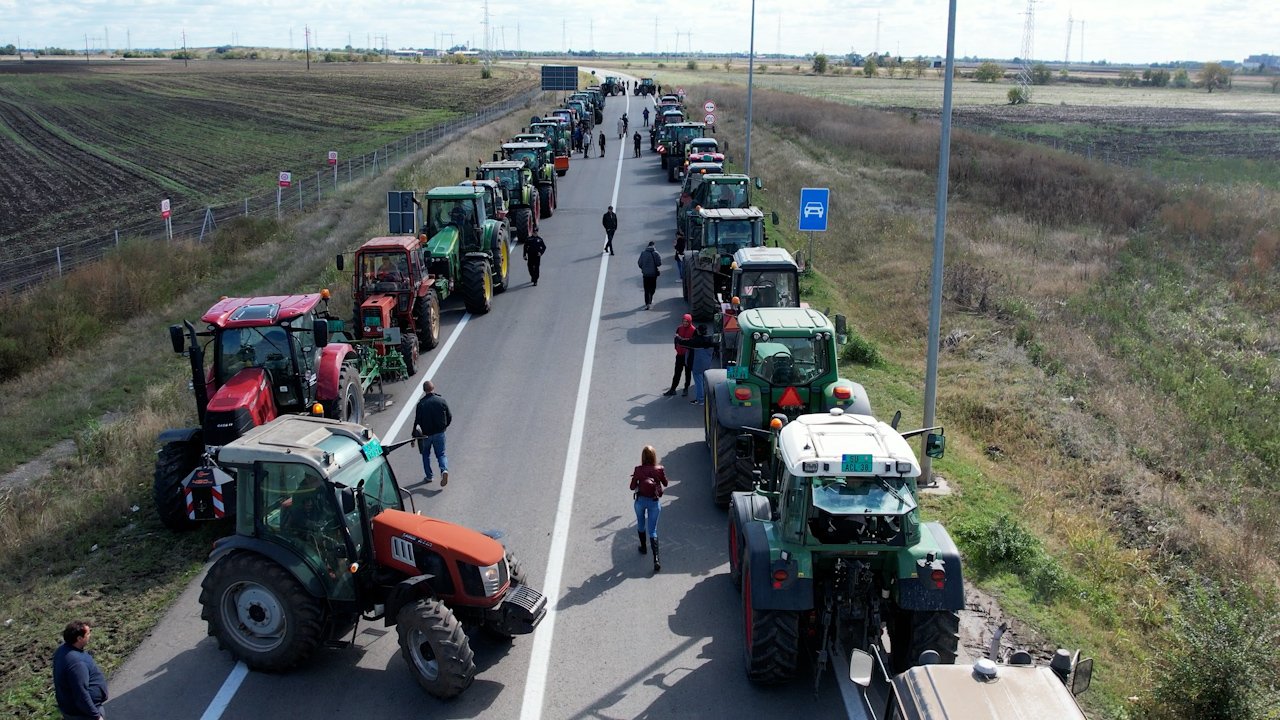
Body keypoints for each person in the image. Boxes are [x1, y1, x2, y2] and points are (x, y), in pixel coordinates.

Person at [53, 620, 108, 720]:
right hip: (84, 714)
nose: (90, 635)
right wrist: (96, 715)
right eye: (88, 633)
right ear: (79, 638)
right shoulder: (77, 663)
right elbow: (81, 693)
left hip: (72, 710)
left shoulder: (62, 650)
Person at [629, 445, 669, 573]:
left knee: (641, 524)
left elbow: (632, 487)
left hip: (640, 501)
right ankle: (656, 559)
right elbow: (666, 483)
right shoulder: (659, 469)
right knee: (653, 530)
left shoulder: (638, 469)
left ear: (643, 457)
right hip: (654, 502)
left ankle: (643, 547)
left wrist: (637, 478)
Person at [413, 380, 452, 486]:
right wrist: (444, 427)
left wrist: (413, 436)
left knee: (425, 455)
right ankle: (444, 470)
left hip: (426, 435)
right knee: (441, 454)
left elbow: (417, 421)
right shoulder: (441, 400)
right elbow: (449, 416)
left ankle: (429, 476)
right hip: (439, 433)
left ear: (424, 390)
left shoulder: (421, 404)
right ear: (433, 388)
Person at [678, 325, 717, 405]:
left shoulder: (695, 341)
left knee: (698, 382)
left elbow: (682, 343)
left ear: (698, 331)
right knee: (704, 381)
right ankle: (706, 398)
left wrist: (677, 337)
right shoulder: (710, 339)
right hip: (707, 363)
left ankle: (701, 400)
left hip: (697, 364)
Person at [664, 314, 697, 397]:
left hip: (688, 355)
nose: (685, 323)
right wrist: (677, 348)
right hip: (679, 355)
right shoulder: (679, 328)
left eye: (687, 322)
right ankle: (673, 389)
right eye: (684, 321)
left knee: (687, 373)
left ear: (690, 322)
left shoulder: (694, 330)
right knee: (677, 373)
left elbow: (693, 343)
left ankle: (686, 389)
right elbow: (676, 339)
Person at [637, 241, 662, 310]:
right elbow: (659, 263)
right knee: (653, 288)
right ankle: (650, 297)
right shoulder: (656, 253)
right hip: (653, 274)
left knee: (646, 289)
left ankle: (647, 303)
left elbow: (639, 263)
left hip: (645, 274)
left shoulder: (643, 253)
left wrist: (644, 268)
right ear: (654, 246)